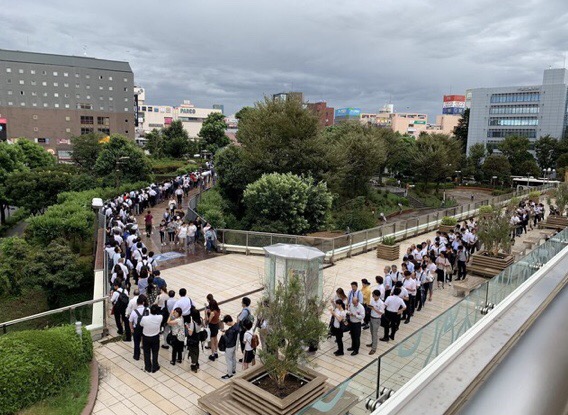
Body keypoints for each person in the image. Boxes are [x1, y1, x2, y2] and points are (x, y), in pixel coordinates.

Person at [140, 304, 163, 373]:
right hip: (155, 337)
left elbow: (141, 324)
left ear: (149, 311)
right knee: (155, 352)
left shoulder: (144, 318)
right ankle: (155, 366)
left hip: (146, 337)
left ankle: (148, 367)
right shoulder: (160, 317)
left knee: (146, 352)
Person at [129, 295, 148, 361]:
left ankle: (136, 356)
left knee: (136, 343)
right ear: (143, 303)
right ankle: (146, 356)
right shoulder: (147, 309)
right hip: (145, 328)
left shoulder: (134, 312)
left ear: (137, 303)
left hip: (136, 329)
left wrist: (131, 329)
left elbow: (130, 321)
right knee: (145, 343)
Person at [221, 315, 240, 379]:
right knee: (233, 357)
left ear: (229, 322)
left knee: (229, 360)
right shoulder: (237, 325)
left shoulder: (231, 331)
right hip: (235, 345)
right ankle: (233, 370)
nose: (226, 324)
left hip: (229, 346)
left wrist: (224, 335)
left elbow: (228, 340)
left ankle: (229, 373)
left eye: (226, 323)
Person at [367, 290, 385, 355]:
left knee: (374, 334)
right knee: (372, 332)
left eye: (374, 295)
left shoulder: (381, 303)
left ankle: (374, 348)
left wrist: (374, 309)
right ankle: (372, 343)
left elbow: (382, 312)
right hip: (371, 318)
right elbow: (371, 306)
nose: (373, 296)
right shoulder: (373, 300)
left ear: (377, 296)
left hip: (376, 319)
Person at [186, 307, 202, 373]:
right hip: (197, 337)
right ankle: (197, 362)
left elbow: (190, 333)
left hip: (192, 338)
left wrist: (187, 327)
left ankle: (194, 364)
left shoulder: (193, 323)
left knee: (192, 351)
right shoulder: (200, 319)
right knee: (197, 349)